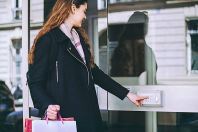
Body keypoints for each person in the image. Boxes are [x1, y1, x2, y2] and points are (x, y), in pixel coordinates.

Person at [27, 0, 148, 132]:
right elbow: (35, 82)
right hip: (65, 118)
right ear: (73, 8)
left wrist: (127, 94)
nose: (85, 16)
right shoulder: (48, 40)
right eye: (84, 11)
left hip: (88, 115)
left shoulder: (79, 38)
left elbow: (95, 72)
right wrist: (47, 106)